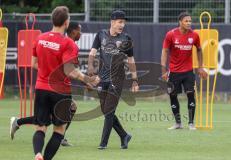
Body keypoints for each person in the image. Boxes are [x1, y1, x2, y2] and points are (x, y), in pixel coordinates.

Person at [17, 6, 99, 160]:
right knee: (59, 129)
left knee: (40, 127)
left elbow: (33, 64)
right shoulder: (68, 44)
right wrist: (88, 80)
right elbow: (70, 71)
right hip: (60, 91)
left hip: (41, 88)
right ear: (66, 22)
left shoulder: (40, 38)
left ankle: (38, 154)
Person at [10, 22, 82, 147]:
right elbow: (69, 70)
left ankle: (19, 122)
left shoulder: (63, 42)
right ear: (74, 31)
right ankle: (18, 122)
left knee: (70, 108)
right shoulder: (70, 45)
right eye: (80, 30)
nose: (81, 33)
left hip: (51, 86)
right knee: (46, 118)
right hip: (55, 88)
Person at [88, 10, 139, 150]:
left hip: (117, 78)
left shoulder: (126, 38)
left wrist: (135, 79)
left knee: (109, 111)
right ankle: (124, 135)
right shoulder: (101, 35)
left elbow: (131, 60)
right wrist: (90, 67)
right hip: (102, 77)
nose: (122, 25)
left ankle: (103, 143)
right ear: (112, 22)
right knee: (106, 110)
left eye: (124, 22)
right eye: (120, 22)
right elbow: (92, 52)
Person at [161, 12, 207, 130]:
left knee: (190, 94)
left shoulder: (194, 36)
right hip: (174, 72)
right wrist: (163, 70)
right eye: (186, 21)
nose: (189, 23)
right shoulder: (171, 34)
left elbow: (199, 50)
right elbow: (165, 51)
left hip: (188, 72)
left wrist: (200, 67)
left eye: (190, 21)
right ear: (180, 22)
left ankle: (191, 123)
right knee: (173, 95)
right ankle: (178, 123)